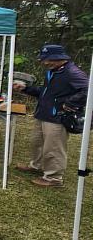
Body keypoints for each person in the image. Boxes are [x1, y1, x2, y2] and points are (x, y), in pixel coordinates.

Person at [15, 44, 89, 187]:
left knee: (53, 147)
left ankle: (53, 178)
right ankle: (36, 166)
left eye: (48, 59)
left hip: (57, 117)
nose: (45, 62)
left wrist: (70, 103)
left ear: (59, 58)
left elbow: (88, 90)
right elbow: (45, 92)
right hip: (43, 113)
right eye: (44, 59)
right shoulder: (53, 71)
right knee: (37, 142)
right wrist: (26, 89)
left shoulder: (72, 72)